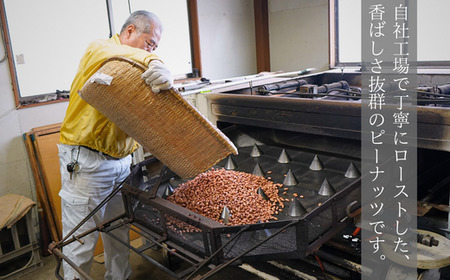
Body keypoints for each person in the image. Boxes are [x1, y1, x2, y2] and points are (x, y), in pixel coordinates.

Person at [57, 10, 173, 280]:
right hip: (86, 163)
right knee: (80, 242)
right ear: (130, 31)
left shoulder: (137, 69)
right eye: (150, 43)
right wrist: (154, 60)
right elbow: (116, 57)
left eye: (155, 47)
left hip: (122, 164)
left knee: (119, 231)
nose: (152, 50)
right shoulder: (100, 49)